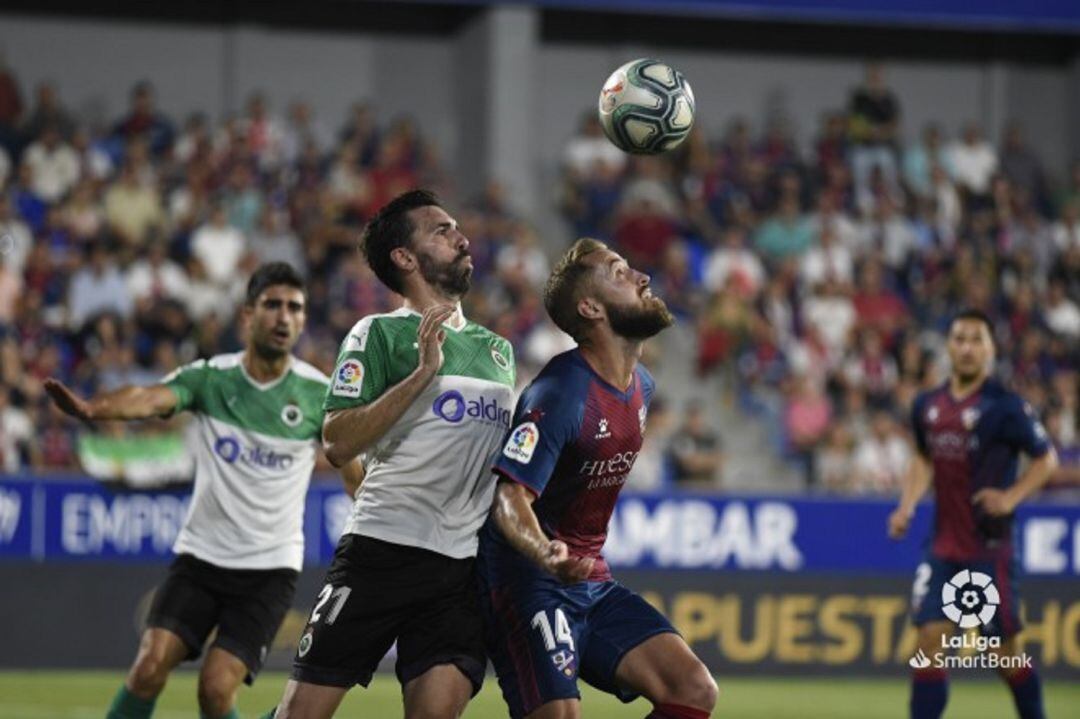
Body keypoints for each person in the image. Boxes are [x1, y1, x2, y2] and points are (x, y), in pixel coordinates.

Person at [44, 262, 363, 719]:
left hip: (268, 570)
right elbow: (150, 398)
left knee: (215, 691)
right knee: (148, 668)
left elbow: (356, 478)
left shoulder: (319, 395)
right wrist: (95, 408)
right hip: (201, 558)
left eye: (294, 308)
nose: (284, 317)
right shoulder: (212, 379)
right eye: (272, 304)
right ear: (247, 316)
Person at [266, 190, 516, 719]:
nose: (461, 238)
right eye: (441, 231)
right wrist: (423, 375)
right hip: (383, 549)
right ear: (404, 258)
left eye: (457, 228)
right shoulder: (377, 334)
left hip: (459, 569)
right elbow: (336, 442)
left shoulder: (499, 350)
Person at [478, 238, 718, 719]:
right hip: (528, 581)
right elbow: (509, 498)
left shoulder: (642, 386)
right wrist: (545, 551)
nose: (642, 277)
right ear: (590, 307)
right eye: (619, 272)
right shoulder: (560, 392)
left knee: (692, 688)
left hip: (591, 579)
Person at [888, 309, 1059, 719]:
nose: (966, 348)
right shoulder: (927, 404)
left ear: (990, 349)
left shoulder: (1006, 406)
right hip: (943, 545)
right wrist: (907, 504)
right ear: (949, 346)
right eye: (959, 339)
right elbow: (922, 458)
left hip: (990, 549)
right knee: (928, 644)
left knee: (1004, 656)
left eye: (976, 340)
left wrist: (1011, 497)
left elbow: (1046, 459)